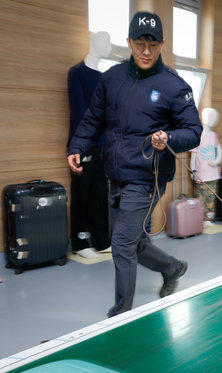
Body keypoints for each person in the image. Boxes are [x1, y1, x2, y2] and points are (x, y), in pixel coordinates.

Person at [67, 11, 202, 317]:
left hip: (147, 177)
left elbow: (193, 131)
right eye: (139, 43)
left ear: (162, 44)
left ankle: (120, 316)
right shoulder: (111, 78)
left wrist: (169, 136)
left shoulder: (173, 85)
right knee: (126, 242)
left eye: (152, 44)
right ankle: (172, 267)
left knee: (122, 245)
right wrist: (78, 145)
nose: (145, 51)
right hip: (115, 174)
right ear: (128, 41)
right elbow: (93, 118)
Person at [67, 31, 112, 259]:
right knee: (81, 195)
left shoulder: (103, 77)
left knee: (100, 194)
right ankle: (80, 243)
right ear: (94, 42)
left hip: (102, 147)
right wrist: (79, 147)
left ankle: (102, 240)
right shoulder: (77, 73)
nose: (110, 46)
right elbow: (79, 114)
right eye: (106, 41)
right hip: (83, 145)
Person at [190, 108, 222, 227]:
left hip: (213, 174)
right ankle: (198, 220)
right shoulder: (198, 135)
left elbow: (220, 151)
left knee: (211, 198)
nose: (211, 119)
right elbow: (193, 155)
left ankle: (208, 219)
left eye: (213, 117)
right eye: (209, 116)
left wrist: (217, 161)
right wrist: (192, 170)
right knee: (200, 198)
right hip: (201, 174)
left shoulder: (215, 136)